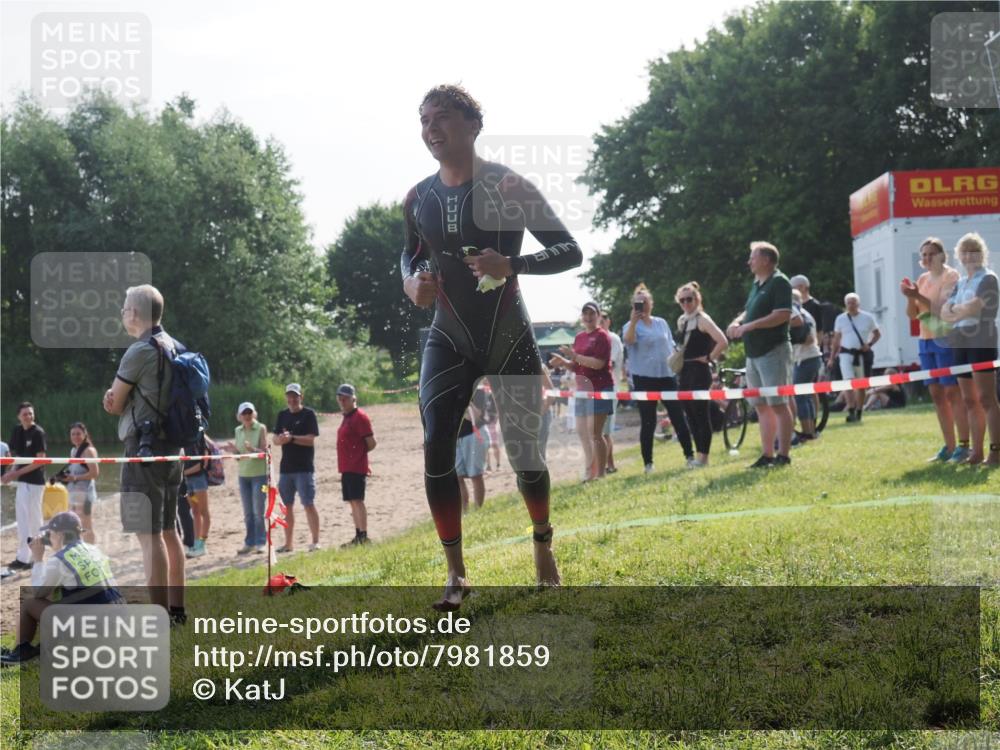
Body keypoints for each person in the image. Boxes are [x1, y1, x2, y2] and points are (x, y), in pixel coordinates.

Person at [401, 84, 581, 609]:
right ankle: (456, 573)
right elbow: (409, 255)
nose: (431, 128)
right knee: (437, 445)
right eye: (424, 120)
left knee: (526, 455)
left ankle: (543, 543)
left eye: (442, 117)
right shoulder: (418, 198)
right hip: (448, 335)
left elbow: (570, 251)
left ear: (473, 125)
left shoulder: (509, 185)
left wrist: (513, 265)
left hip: (507, 333)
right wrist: (411, 282)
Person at [102, 284, 185, 622]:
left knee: (149, 537)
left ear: (134, 313)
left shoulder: (139, 350)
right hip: (172, 448)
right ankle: (177, 610)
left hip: (143, 449)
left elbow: (115, 403)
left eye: (124, 309)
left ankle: (159, 615)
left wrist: (112, 399)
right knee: (169, 531)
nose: (122, 314)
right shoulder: (174, 346)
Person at [0, 511, 122, 666]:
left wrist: (38, 559)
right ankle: (39, 648)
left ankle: (20, 653)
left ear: (60, 535)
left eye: (50, 533)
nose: (48, 538)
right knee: (60, 595)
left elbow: (38, 592)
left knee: (30, 604)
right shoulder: (94, 550)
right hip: (117, 623)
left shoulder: (61, 559)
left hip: (94, 630)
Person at [900, 237, 970, 463]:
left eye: (931, 254)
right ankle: (949, 446)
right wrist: (910, 297)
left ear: (942, 255)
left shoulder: (951, 276)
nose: (927, 258)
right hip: (925, 340)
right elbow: (912, 314)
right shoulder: (922, 278)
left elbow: (943, 309)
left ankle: (964, 446)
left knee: (952, 392)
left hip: (945, 338)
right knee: (937, 395)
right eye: (924, 255)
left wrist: (917, 296)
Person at [726, 242, 795, 468]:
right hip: (753, 354)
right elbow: (749, 310)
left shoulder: (780, 282)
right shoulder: (757, 284)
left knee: (778, 404)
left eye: (753, 258)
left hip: (773, 351)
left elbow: (783, 314)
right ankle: (767, 455)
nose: (749, 262)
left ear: (766, 260)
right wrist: (737, 322)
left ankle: (783, 455)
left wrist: (750, 326)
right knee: (761, 406)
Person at [940, 232, 1000, 466]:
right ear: (959, 255)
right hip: (960, 340)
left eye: (973, 251)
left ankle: (996, 451)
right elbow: (944, 313)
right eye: (964, 252)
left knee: (986, 398)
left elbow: (975, 308)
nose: (968, 256)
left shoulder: (988, 278)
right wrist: (958, 311)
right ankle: (976, 453)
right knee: (968, 400)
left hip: (981, 338)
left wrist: (956, 311)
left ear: (981, 254)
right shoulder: (961, 282)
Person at [623, 283, 696, 471]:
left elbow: (671, 345)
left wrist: (679, 359)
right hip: (643, 378)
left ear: (651, 303)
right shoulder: (629, 326)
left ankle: (690, 456)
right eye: (638, 303)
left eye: (645, 302)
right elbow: (628, 341)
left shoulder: (661, 323)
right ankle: (648, 463)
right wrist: (633, 322)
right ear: (633, 306)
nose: (642, 306)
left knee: (678, 417)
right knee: (648, 421)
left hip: (666, 376)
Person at [549, 302, 614, 482]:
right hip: (582, 390)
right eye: (585, 314)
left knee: (595, 433)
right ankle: (589, 470)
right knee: (582, 433)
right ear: (582, 317)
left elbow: (599, 364)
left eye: (592, 313)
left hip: (600, 388)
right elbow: (576, 366)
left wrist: (575, 356)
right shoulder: (579, 337)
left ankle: (601, 474)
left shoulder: (602, 336)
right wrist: (564, 362)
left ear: (598, 315)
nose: (588, 317)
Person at [674, 282, 728, 466]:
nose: (686, 303)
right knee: (689, 414)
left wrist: (710, 357)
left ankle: (704, 457)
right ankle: (699, 456)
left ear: (697, 299)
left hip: (699, 371)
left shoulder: (703, 319)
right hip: (685, 371)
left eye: (689, 299)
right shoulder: (682, 320)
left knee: (700, 414)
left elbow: (722, 341)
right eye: (682, 300)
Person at [273, 383, 321, 552]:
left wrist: (292, 438)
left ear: (301, 397)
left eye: (295, 396)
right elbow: (275, 439)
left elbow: (310, 440)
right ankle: (288, 544)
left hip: (304, 468)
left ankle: (315, 541)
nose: (292, 399)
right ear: (286, 397)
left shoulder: (308, 414)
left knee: (308, 504)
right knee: (287, 506)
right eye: (290, 396)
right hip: (286, 469)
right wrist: (281, 439)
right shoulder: (282, 415)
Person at [1, 403, 48, 572]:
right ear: (18, 416)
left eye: (30, 413)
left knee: (35, 521)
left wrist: (14, 474)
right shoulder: (17, 431)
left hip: (35, 482)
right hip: (22, 482)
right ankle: (23, 558)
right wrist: (10, 473)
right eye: (25, 414)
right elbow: (18, 457)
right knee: (22, 521)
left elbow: (40, 460)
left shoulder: (38, 433)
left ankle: (37, 558)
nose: (28, 416)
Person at [223, 402, 268, 555]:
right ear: (239, 416)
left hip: (259, 475)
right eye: (244, 413)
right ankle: (249, 542)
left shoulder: (261, 428)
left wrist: (252, 449)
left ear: (254, 414)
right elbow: (239, 457)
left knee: (258, 511)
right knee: (248, 513)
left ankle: (261, 542)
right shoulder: (238, 430)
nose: (247, 416)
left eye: (249, 413)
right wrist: (233, 450)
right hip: (243, 475)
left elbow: (265, 453)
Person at [829, 293, 881, 424]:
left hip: (861, 354)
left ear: (858, 304)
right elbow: (836, 339)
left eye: (854, 303)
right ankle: (851, 410)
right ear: (845, 304)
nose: (851, 305)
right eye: (849, 303)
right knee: (848, 382)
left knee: (861, 384)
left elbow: (877, 334)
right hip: (846, 353)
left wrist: (869, 345)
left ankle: (859, 410)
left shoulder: (867, 317)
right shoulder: (840, 319)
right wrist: (831, 357)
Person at [335, 384, 376, 546]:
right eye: (340, 398)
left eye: (345, 398)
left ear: (353, 399)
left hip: (356, 466)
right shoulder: (347, 417)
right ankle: (358, 534)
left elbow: (371, 443)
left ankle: (363, 535)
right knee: (352, 501)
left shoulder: (360, 417)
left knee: (357, 500)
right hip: (346, 466)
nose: (342, 401)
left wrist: (359, 455)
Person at [790, 290, 823, 443]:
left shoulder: (797, 314)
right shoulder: (806, 314)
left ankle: (807, 432)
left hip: (805, 358)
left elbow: (808, 339)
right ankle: (810, 430)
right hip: (810, 357)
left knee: (800, 396)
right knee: (806, 396)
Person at [455, 384, 490, 512]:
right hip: (456, 437)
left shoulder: (478, 390)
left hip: (474, 434)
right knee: (457, 477)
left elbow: (473, 417)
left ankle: (477, 510)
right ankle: (464, 511)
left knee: (475, 475)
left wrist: (464, 399)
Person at [64, 422, 99, 544]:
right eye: (73, 434)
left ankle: (91, 551)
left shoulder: (89, 450)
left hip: (85, 493)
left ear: (85, 434)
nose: (75, 437)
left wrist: (74, 478)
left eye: (78, 434)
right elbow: (74, 470)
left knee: (86, 525)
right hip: (73, 493)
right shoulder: (73, 450)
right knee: (75, 524)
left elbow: (94, 473)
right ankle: (81, 549)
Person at [600, 311, 624, 473]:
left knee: (605, 432)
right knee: (602, 432)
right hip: (600, 390)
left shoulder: (612, 339)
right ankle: (609, 465)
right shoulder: (597, 340)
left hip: (609, 389)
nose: (599, 324)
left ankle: (607, 466)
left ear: (608, 321)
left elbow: (610, 364)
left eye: (602, 321)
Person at [182, 433, 211, 558]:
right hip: (188, 481)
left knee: (204, 511)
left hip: (199, 479)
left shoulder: (200, 438)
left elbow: (203, 464)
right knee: (195, 511)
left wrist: (183, 472)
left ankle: (202, 544)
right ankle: (196, 543)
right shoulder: (183, 439)